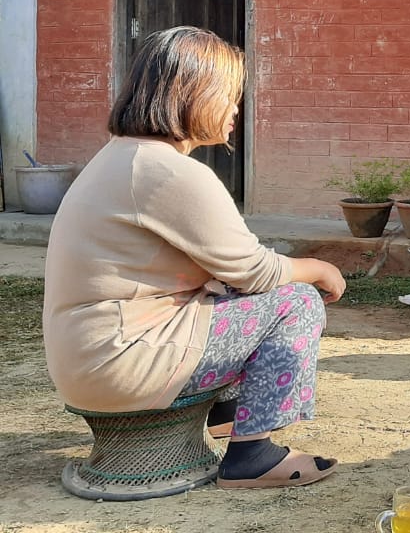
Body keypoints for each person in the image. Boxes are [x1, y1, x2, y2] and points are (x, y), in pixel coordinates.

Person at [43, 27, 348, 490]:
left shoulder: (124, 158)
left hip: (91, 360)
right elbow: (256, 270)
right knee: (297, 301)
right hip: (121, 362)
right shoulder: (167, 172)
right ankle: (253, 455)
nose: (235, 109)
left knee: (225, 290)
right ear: (192, 94)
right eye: (227, 95)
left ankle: (229, 415)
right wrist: (320, 269)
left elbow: (228, 269)